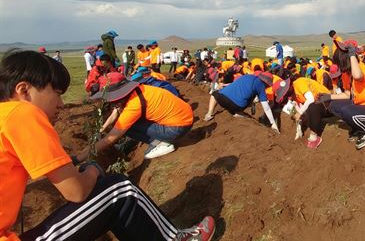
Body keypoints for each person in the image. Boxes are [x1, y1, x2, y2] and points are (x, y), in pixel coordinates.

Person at [0, 50, 214, 241]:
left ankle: (162, 143)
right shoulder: (23, 114)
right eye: (56, 93)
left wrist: (85, 152)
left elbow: (114, 132)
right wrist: (92, 169)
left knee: (127, 130)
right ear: (24, 90)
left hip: (177, 129)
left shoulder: (5, 116)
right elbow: (76, 192)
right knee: (119, 189)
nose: (61, 104)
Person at [77, 72, 193, 161]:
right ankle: (159, 139)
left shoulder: (133, 105)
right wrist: (102, 129)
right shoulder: (139, 90)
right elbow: (115, 112)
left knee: (127, 127)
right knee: (124, 122)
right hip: (183, 119)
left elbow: (110, 139)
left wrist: (78, 158)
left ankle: (163, 143)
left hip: (177, 128)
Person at [325, 40, 365, 149]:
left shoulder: (361, 69)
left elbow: (357, 75)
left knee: (347, 111)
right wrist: (329, 96)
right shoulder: (346, 73)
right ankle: (357, 126)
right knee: (334, 106)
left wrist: (352, 55)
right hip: (363, 107)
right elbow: (347, 94)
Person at [203, 73, 280, 134]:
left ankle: (209, 114)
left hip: (221, 98)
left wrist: (224, 85)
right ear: (266, 83)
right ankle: (237, 113)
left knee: (214, 94)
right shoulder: (261, 86)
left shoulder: (247, 76)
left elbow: (234, 84)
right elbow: (266, 107)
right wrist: (273, 124)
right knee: (246, 102)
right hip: (236, 106)